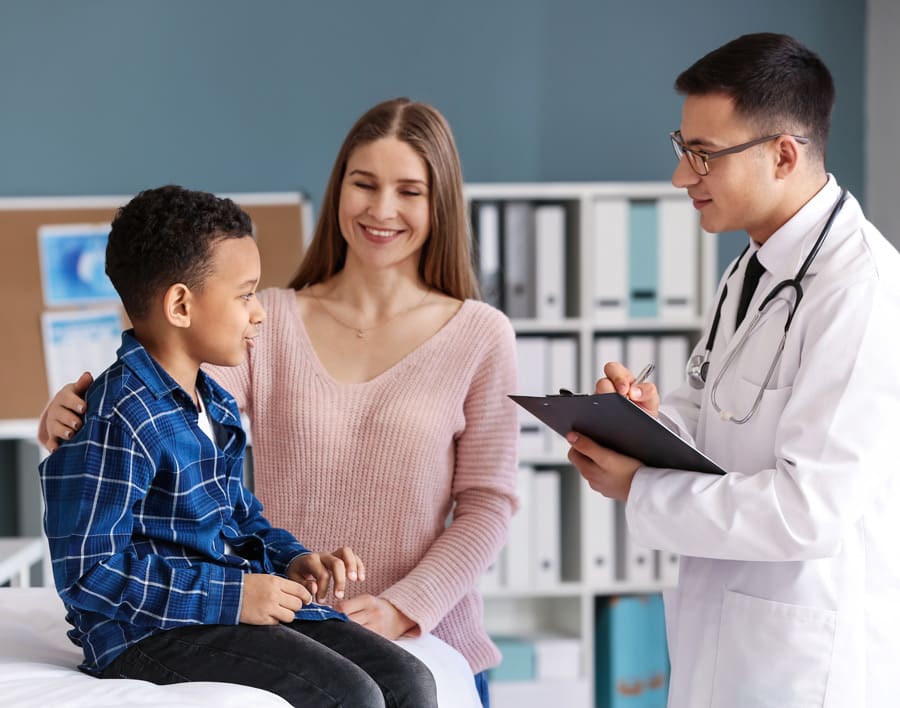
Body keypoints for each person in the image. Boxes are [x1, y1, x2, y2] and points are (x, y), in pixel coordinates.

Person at [38, 98, 519, 707]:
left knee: (410, 682)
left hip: (340, 606)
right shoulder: (249, 339)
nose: (382, 208)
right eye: (364, 183)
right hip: (196, 615)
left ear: (441, 203)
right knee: (355, 695)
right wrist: (63, 414)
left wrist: (298, 564)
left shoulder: (480, 334)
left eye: (409, 190)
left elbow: (233, 513)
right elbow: (144, 386)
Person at [566, 33, 900, 707]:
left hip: (803, 664)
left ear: (784, 154)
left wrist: (643, 488)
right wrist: (647, 423)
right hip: (729, 640)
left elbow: (811, 514)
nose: (681, 178)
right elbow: (717, 415)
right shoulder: (753, 266)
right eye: (682, 149)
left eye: (704, 156)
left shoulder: (861, 289)